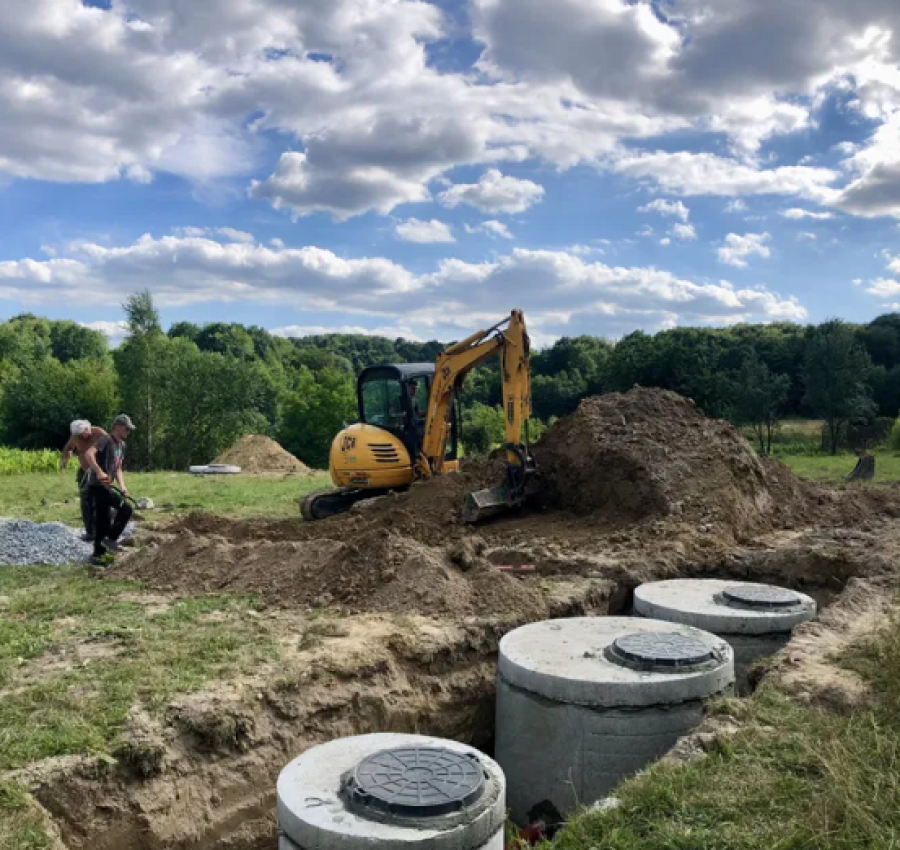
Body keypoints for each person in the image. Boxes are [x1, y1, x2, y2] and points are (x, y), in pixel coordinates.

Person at [84, 414, 135, 563]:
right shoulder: (106, 440)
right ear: (117, 427)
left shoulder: (122, 446)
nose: (128, 432)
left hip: (107, 486)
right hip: (97, 485)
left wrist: (123, 487)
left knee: (103, 521)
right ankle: (111, 539)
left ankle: (97, 555)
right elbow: (89, 454)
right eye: (126, 428)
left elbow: (118, 468)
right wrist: (99, 472)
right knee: (126, 509)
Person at [60, 419, 106, 542]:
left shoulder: (99, 433)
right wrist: (65, 458)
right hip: (84, 473)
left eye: (84, 432)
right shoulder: (75, 437)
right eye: (79, 434)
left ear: (88, 428)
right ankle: (90, 532)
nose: (82, 436)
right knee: (85, 503)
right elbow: (68, 448)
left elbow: (113, 447)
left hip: (99, 471)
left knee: (99, 501)